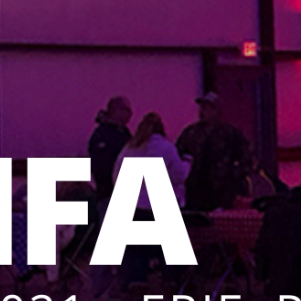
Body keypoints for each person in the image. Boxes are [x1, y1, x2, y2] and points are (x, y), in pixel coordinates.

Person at [113, 113, 189, 290]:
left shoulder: (130, 149)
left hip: (134, 205)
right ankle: (170, 279)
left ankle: (137, 281)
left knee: (138, 247)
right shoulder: (167, 148)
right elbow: (179, 176)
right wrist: (187, 164)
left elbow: (117, 175)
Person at [177, 92, 252, 211]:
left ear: (216, 111)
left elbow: (247, 158)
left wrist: (232, 176)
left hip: (221, 191)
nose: (202, 111)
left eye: (206, 108)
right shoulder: (191, 133)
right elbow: (178, 155)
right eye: (202, 108)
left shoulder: (229, 133)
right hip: (196, 190)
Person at [87, 97, 134, 202]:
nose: (130, 114)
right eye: (125, 110)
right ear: (114, 110)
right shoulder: (102, 134)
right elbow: (101, 166)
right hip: (108, 193)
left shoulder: (124, 133)